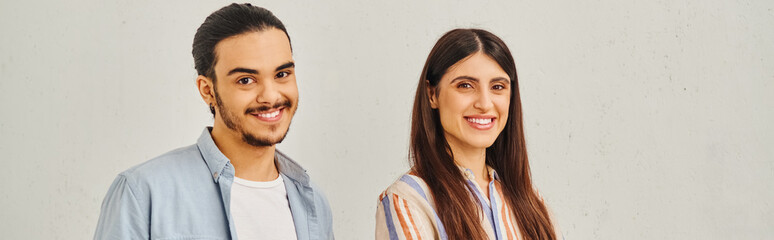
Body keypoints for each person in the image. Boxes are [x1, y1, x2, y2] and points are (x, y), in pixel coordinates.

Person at [94, 4, 334, 240]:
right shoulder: (143, 192)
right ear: (207, 90)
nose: (271, 96)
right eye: (246, 80)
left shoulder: (312, 201)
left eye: (282, 75)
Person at [375, 29, 559, 240]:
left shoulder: (533, 204)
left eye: (497, 87)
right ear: (432, 94)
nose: (484, 103)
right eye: (465, 85)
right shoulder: (408, 200)